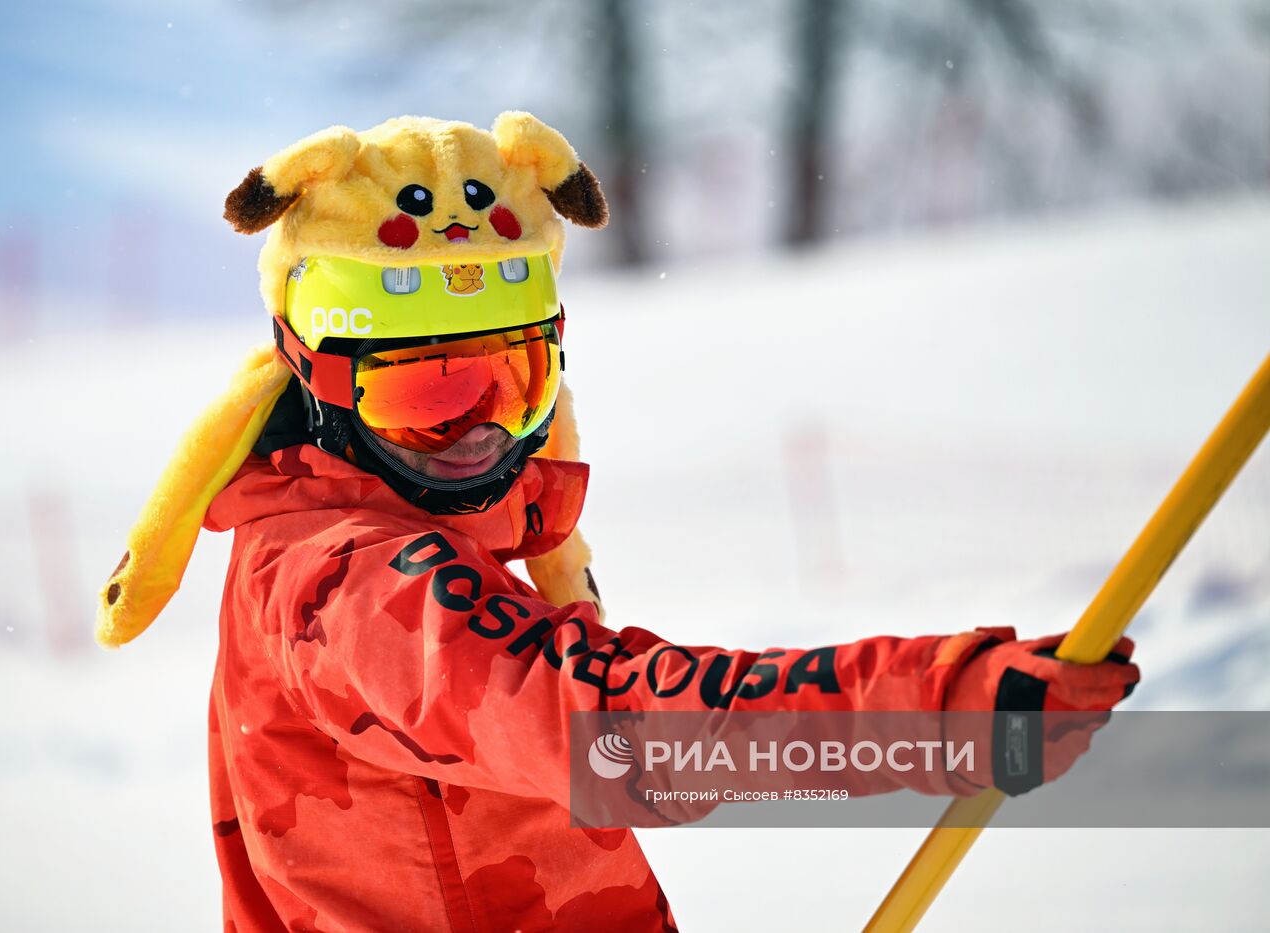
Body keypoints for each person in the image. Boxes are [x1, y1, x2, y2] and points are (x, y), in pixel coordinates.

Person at [97, 114, 1139, 932]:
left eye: (509, 380)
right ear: (320, 385)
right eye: (419, 394)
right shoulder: (351, 581)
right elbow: (606, 726)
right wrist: (934, 709)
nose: (472, 430)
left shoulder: (376, 523)